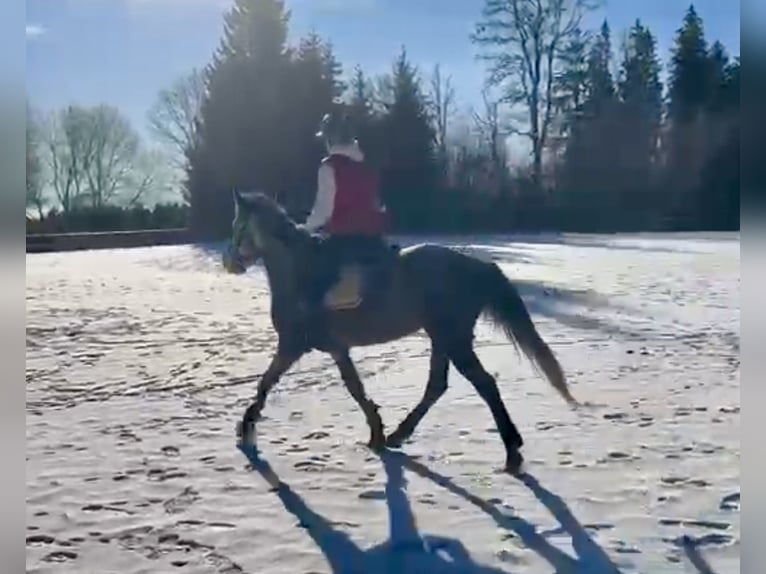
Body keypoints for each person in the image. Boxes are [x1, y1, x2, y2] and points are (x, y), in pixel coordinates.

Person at [300, 108, 391, 340]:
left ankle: (318, 331)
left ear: (331, 138)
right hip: (374, 240)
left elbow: (324, 210)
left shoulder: (329, 167)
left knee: (315, 284)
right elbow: (379, 205)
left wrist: (305, 228)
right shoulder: (366, 168)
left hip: (345, 239)